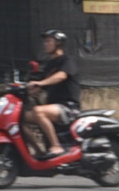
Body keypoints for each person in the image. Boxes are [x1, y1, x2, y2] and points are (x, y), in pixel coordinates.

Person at [26, 29, 80, 159]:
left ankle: (56, 146)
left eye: (49, 41)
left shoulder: (66, 60)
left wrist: (41, 83)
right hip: (54, 108)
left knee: (38, 111)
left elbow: (61, 76)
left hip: (68, 107)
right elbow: (39, 86)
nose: (45, 44)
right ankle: (38, 152)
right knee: (19, 118)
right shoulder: (50, 65)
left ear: (58, 44)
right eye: (45, 41)